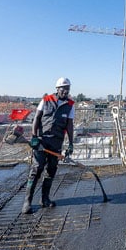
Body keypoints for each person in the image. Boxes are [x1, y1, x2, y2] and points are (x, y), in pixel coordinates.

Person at [22, 77, 75, 214]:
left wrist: (71, 143)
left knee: (51, 170)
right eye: (63, 88)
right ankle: (27, 202)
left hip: (56, 143)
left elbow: (69, 125)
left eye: (68, 88)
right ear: (57, 89)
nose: (66, 91)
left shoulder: (70, 104)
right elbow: (36, 119)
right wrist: (34, 137)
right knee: (37, 169)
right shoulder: (46, 100)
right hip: (41, 141)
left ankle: (45, 199)